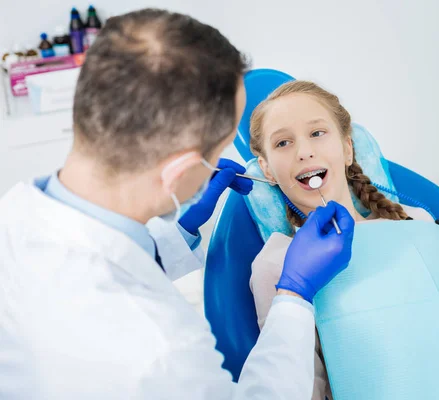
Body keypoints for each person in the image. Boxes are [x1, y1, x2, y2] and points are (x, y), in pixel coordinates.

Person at [0, 10, 355, 399]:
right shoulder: (159, 353)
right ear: (180, 170)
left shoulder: (17, 216)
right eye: (220, 147)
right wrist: (294, 294)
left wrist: (176, 233)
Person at [248, 80, 439, 400]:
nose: (304, 151)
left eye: (317, 133)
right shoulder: (279, 265)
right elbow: (298, 384)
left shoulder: (417, 224)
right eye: (283, 143)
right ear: (267, 170)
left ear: (347, 148)